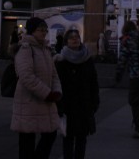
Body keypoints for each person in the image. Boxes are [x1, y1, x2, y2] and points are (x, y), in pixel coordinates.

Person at [11, 17, 61, 159]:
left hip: (46, 101)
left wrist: (57, 91)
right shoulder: (25, 49)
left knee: (50, 134)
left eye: (45, 30)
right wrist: (47, 93)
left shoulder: (45, 49)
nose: (44, 33)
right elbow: (26, 76)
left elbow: (54, 74)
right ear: (32, 31)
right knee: (27, 141)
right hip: (29, 102)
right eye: (40, 30)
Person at [55, 29, 99, 159]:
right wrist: (59, 105)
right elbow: (57, 84)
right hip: (68, 105)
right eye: (71, 38)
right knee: (68, 138)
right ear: (66, 42)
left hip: (84, 104)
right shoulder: (61, 61)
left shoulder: (87, 59)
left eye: (77, 37)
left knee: (82, 138)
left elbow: (93, 81)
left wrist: (95, 101)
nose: (75, 39)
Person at [115, 20, 139, 139]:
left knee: (135, 101)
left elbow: (122, 60)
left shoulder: (128, 41)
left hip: (136, 75)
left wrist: (118, 74)